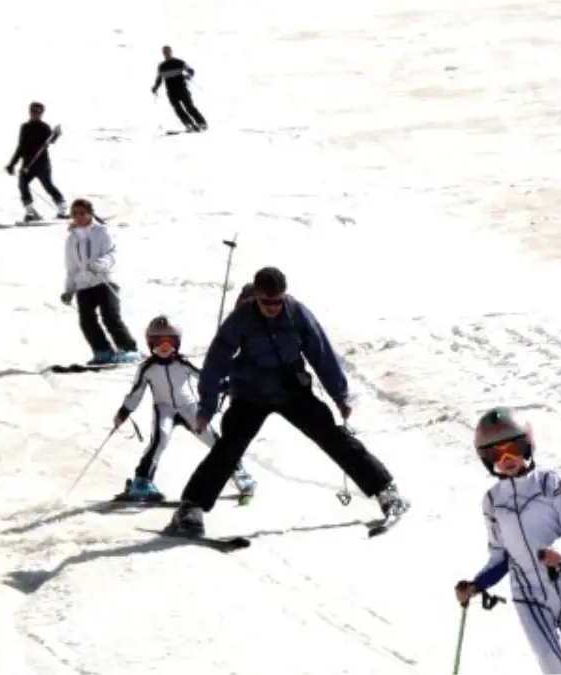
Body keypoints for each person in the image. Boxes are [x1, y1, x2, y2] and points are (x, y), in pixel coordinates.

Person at [164, 266, 408, 536]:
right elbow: (216, 361)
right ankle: (190, 508)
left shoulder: (296, 313)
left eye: (277, 300)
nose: (272, 307)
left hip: (291, 388)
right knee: (229, 447)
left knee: (333, 437)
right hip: (251, 392)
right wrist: (206, 408)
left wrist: (340, 394)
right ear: (256, 295)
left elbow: (321, 352)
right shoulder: (241, 318)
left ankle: (386, 492)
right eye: (266, 301)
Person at [454, 407, 561, 675]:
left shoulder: (549, 481)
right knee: (551, 665)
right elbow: (500, 556)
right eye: (496, 453)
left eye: (512, 448)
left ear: (526, 446)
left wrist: (559, 550)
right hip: (526, 594)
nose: (506, 458)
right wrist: (476, 585)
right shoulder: (492, 501)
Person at [113, 316, 257, 504]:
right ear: (150, 343)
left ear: (177, 342)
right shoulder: (147, 368)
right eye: (158, 341)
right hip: (164, 409)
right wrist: (124, 412)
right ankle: (141, 481)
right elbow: (136, 393)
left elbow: (204, 377)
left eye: (170, 341)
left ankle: (240, 475)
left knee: (214, 441)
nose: (164, 346)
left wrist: (223, 385)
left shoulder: (182, 363)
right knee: (160, 439)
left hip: (189, 408)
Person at [59, 198, 140, 364]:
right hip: (84, 284)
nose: (78, 217)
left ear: (90, 213)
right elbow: (72, 268)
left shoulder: (102, 232)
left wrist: (100, 265)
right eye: (74, 214)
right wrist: (69, 290)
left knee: (110, 317)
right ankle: (102, 351)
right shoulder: (72, 240)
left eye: (82, 213)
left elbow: (113, 254)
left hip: (105, 280)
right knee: (86, 321)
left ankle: (128, 349)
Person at [5, 101, 67, 222]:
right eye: (33, 111)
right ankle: (31, 212)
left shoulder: (44, 128)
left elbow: (51, 141)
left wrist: (55, 136)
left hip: (42, 163)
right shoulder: (25, 127)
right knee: (22, 184)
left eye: (38, 112)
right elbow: (21, 146)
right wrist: (12, 164)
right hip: (27, 163)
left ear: (42, 113)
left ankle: (62, 208)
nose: (35, 114)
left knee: (47, 185)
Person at [151, 45, 208, 133]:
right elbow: (159, 78)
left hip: (182, 89)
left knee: (189, 107)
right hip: (171, 91)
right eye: (164, 52)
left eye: (167, 51)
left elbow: (191, 71)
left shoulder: (179, 62)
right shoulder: (162, 66)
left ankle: (201, 123)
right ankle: (189, 124)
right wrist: (155, 87)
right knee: (178, 109)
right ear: (163, 53)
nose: (166, 53)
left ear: (171, 52)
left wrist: (188, 76)